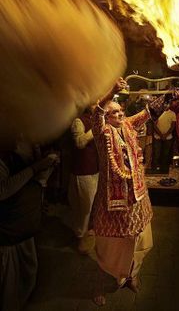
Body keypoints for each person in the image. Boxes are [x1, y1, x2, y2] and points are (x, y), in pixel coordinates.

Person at [90, 78, 163, 306]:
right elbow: (97, 113)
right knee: (108, 246)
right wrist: (112, 91)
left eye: (121, 112)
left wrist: (170, 98)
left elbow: (146, 113)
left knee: (138, 240)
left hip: (136, 199)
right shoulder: (102, 134)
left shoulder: (128, 126)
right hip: (113, 202)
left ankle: (132, 275)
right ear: (106, 117)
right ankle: (101, 284)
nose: (120, 116)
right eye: (114, 113)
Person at [0, 145, 59, 311]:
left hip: (23, 226)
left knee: (28, 275)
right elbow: (3, 190)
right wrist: (36, 168)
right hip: (9, 232)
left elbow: (33, 181)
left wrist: (45, 168)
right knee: (9, 287)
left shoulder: (21, 145)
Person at [68, 106, 99, 254]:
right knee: (84, 206)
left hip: (94, 168)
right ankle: (81, 237)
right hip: (83, 169)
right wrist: (94, 130)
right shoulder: (78, 121)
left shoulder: (95, 119)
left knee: (91, 203)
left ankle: (88, 232)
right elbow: (80, 142)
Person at [152, 100, 176, 173]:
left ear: (170, 105)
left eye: (167, 104)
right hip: (157, 137)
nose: (166, 105)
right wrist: (161, 135)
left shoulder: (172, 114)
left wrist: (165, 135)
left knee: (166, 154)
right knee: (156, 154)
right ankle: (155, 170)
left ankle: (164, 170)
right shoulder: (157, 113)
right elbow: (154, 125)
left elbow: (172, 126)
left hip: (168, 137)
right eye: (164, 104)